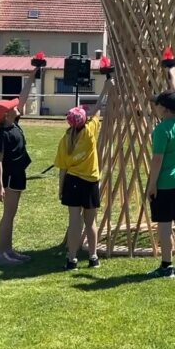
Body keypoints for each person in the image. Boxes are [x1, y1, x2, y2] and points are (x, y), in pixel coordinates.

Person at [144, 63, 175, 278]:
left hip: (165, 182)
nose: (155, 107)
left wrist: (152, 185)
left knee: (164, 225)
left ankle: (166, 266)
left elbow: (157, 161)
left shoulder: (162, 131)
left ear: (164, 109)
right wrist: (172, 73)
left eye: (157, 105)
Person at [0, 69, 37, 266]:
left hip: (18, 175)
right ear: (7, 114)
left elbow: (21, 98)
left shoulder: (12, 123)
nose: (18, 107)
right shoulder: (3, 134)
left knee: (12, 215)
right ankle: (0, 254)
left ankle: (8, 250)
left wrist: (32, 77)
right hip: (10, 178)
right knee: (8, 215)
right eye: (13, 107)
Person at [55, 100, 104, 271]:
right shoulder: (90, 132)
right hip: (90, 182)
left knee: (74, 222)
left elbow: (62, 169)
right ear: (84, 120)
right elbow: (97, 111)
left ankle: (72, 260)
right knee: (90, 222)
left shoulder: (65, 140)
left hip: (72, 182)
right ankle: (93, 257)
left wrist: (61, 189)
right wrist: (106, 88)